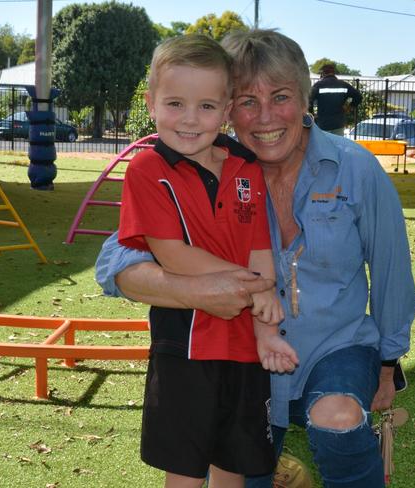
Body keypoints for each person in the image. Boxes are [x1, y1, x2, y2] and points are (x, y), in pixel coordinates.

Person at [96, 29, 415, 488]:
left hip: (336, 346)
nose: (265, 116)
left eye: (281, 96)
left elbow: (391, 271)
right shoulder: (207, 168)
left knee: (337, 420)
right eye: (248, 100)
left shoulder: (356, 169)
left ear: (305, 97)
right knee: (240, 473)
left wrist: (389, 363)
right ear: (230, 107)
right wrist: (193, 290)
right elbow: (118, 257)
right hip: (243, 357)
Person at [118, 34, 298, 488]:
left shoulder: (245, 167)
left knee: (231, 465)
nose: (190, 120)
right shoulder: (146, 171)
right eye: (175, 103)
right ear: (151, 103)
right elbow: (173, 256)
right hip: (185, 346)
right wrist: (256, 287)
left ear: (226, 109)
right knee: (184, 468)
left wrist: (266, 331)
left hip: (243, 351)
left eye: (206, 107)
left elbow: (260, 247)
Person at [308, 63, 362, 136]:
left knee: (324, 145)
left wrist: (312, 115)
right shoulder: (343, 84)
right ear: (334, 73)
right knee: (337, 145)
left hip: (323, 123)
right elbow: (358, 96)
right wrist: (349, 107)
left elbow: (308, 100)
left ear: (323, 73)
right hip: (338, 123)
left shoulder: (318, 85)